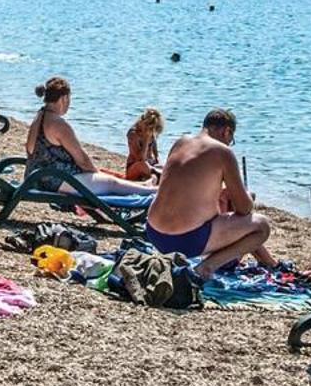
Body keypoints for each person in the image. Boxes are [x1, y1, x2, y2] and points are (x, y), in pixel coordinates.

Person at [144, 109, 276, 272]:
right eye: (231, 139)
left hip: (155, 233)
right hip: (184, 240)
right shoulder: (223, 152)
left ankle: (267, 260)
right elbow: (244, 208)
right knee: (261, 226)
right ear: (226, 131)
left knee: (222, 207)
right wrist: (248, 196)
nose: (229, 143)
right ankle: (207, 267)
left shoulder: (181, 142)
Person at [24, 78, 156, 198]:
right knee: (110, 183)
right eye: (69, 99)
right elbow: (82, 160)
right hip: (56, 180)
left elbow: (29, 149)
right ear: (64, 98)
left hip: (36, 177)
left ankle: (144, 186)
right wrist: (96, 173)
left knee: (105, 178)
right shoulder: (58, 124)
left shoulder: (40, 116)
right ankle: (151, 191)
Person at [123, 109, 165, 183]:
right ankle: (155, 177)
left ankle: (155, 177)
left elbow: (156, 155)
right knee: (143, 165)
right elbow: (140, 158)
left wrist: (159, 163)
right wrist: (146, 140)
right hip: (135, 166)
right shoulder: (133, 134)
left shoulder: (151, 133)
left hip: (150, 165)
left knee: (164, 166)